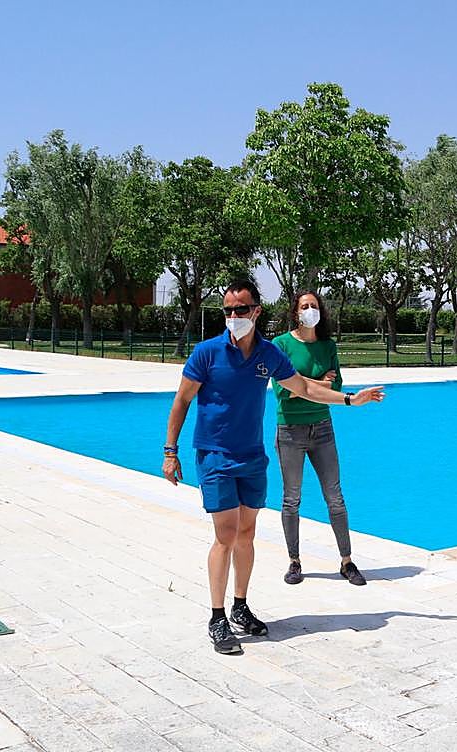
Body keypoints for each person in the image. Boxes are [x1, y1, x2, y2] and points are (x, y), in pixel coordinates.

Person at [163, 280, 385, 655]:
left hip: (252, 456)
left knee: (247, 533)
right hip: (215, 455)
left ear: (256, 311)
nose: (234, 316)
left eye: (241, 309)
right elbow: (182, 401)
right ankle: (217, 617)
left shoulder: (267, 354)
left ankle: (240, 606)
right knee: (226, 535)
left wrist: (349, 399)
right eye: (228, 310)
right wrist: (171, 451)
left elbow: (305, 388)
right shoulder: (206, 352)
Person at [271, 290, 366, 587]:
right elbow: (283, 390)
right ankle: (294, 561)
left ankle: (347, 561)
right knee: (291, 498)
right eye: (304, 306)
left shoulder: (328, 346)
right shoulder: (281, 345)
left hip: (322, 427)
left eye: (314, 305)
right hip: (290, 430)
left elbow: (335, 387)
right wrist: (316, 383)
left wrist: (302, 383)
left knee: (335, 496)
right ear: (295, 312)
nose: (310, 310)